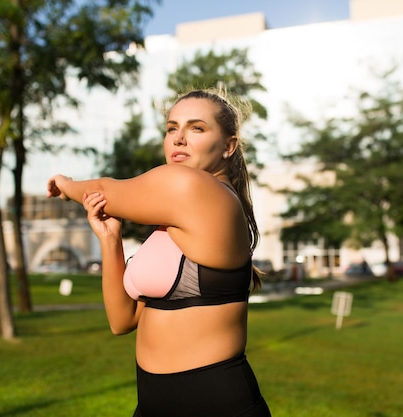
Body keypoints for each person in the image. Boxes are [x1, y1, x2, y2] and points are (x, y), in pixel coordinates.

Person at [47, 88, 272, 417]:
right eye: (171, 128)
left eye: (196, 128)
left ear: (229, 146)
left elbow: (104, 191)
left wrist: (66, 186)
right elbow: (122, 321)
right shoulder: (169, 226)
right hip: (152, 402)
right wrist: (111, 240)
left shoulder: (195, 189)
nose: (178, 138)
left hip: (216, 403)